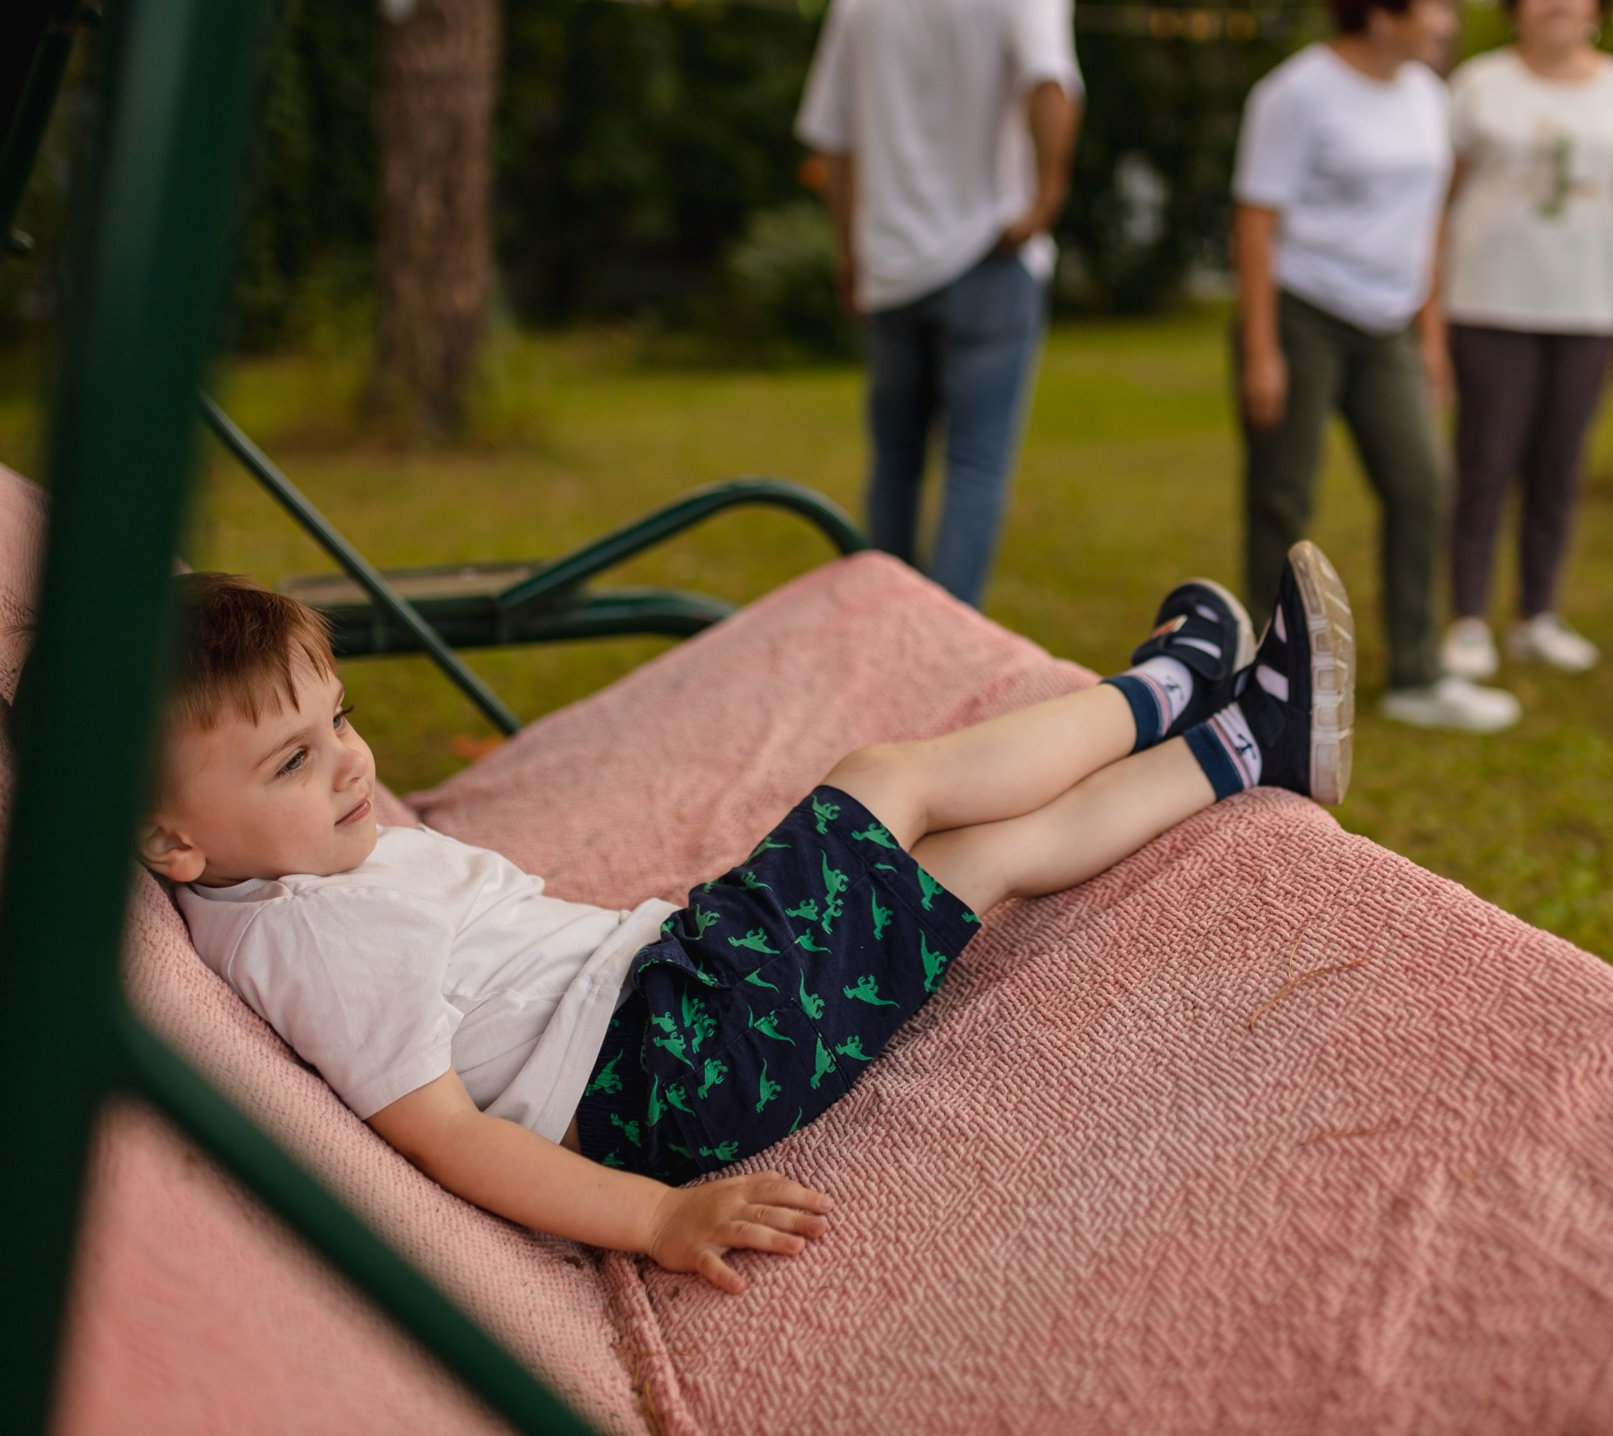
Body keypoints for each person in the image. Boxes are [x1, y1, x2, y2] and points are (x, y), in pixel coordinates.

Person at [149, 546, 1354, 1289]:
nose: (351, 765)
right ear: (172, 839)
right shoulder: (310, 935)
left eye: (341, 722)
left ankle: (1249, 746)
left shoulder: (278, 881)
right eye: (293, 761)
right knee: (892, 777)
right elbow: (448, 1138)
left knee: (979, 860)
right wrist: (658, 1218)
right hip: (677, 1054)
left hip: (679, 1011)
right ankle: (1173, 688)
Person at [1232, 0, 1517, 734]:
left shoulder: (1428, 95)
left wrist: (1429, 335)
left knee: (1423, 482)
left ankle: (1419, 674)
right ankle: (1261, 682)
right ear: (1382, 11)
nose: (1447, 20)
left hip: (1389, 324)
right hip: (1302, 314)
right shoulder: (1297, 93)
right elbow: (1255, 223)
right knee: (1283, 494)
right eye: (1432, 3)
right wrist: (1261, 349)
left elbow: (1426, 223)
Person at [795, 0, 1084, 609]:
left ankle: (883, 628)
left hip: (891, 260)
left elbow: (835, 141)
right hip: (989, 255)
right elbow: (1051, 86)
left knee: (893, 463)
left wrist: (849, 251)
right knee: (975, 466)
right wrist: (1044, 197)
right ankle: (947, 642)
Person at [1433, 0, 1613, 680]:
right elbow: (1440, 201)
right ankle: (1468, 618)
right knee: (1486, 461)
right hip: (1489, 303)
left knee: (1560, 466)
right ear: (1515, 5)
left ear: (1597, 2)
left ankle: (1538, 613)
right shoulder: (1478, 86)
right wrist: (1430, 307)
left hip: (1586, 311)